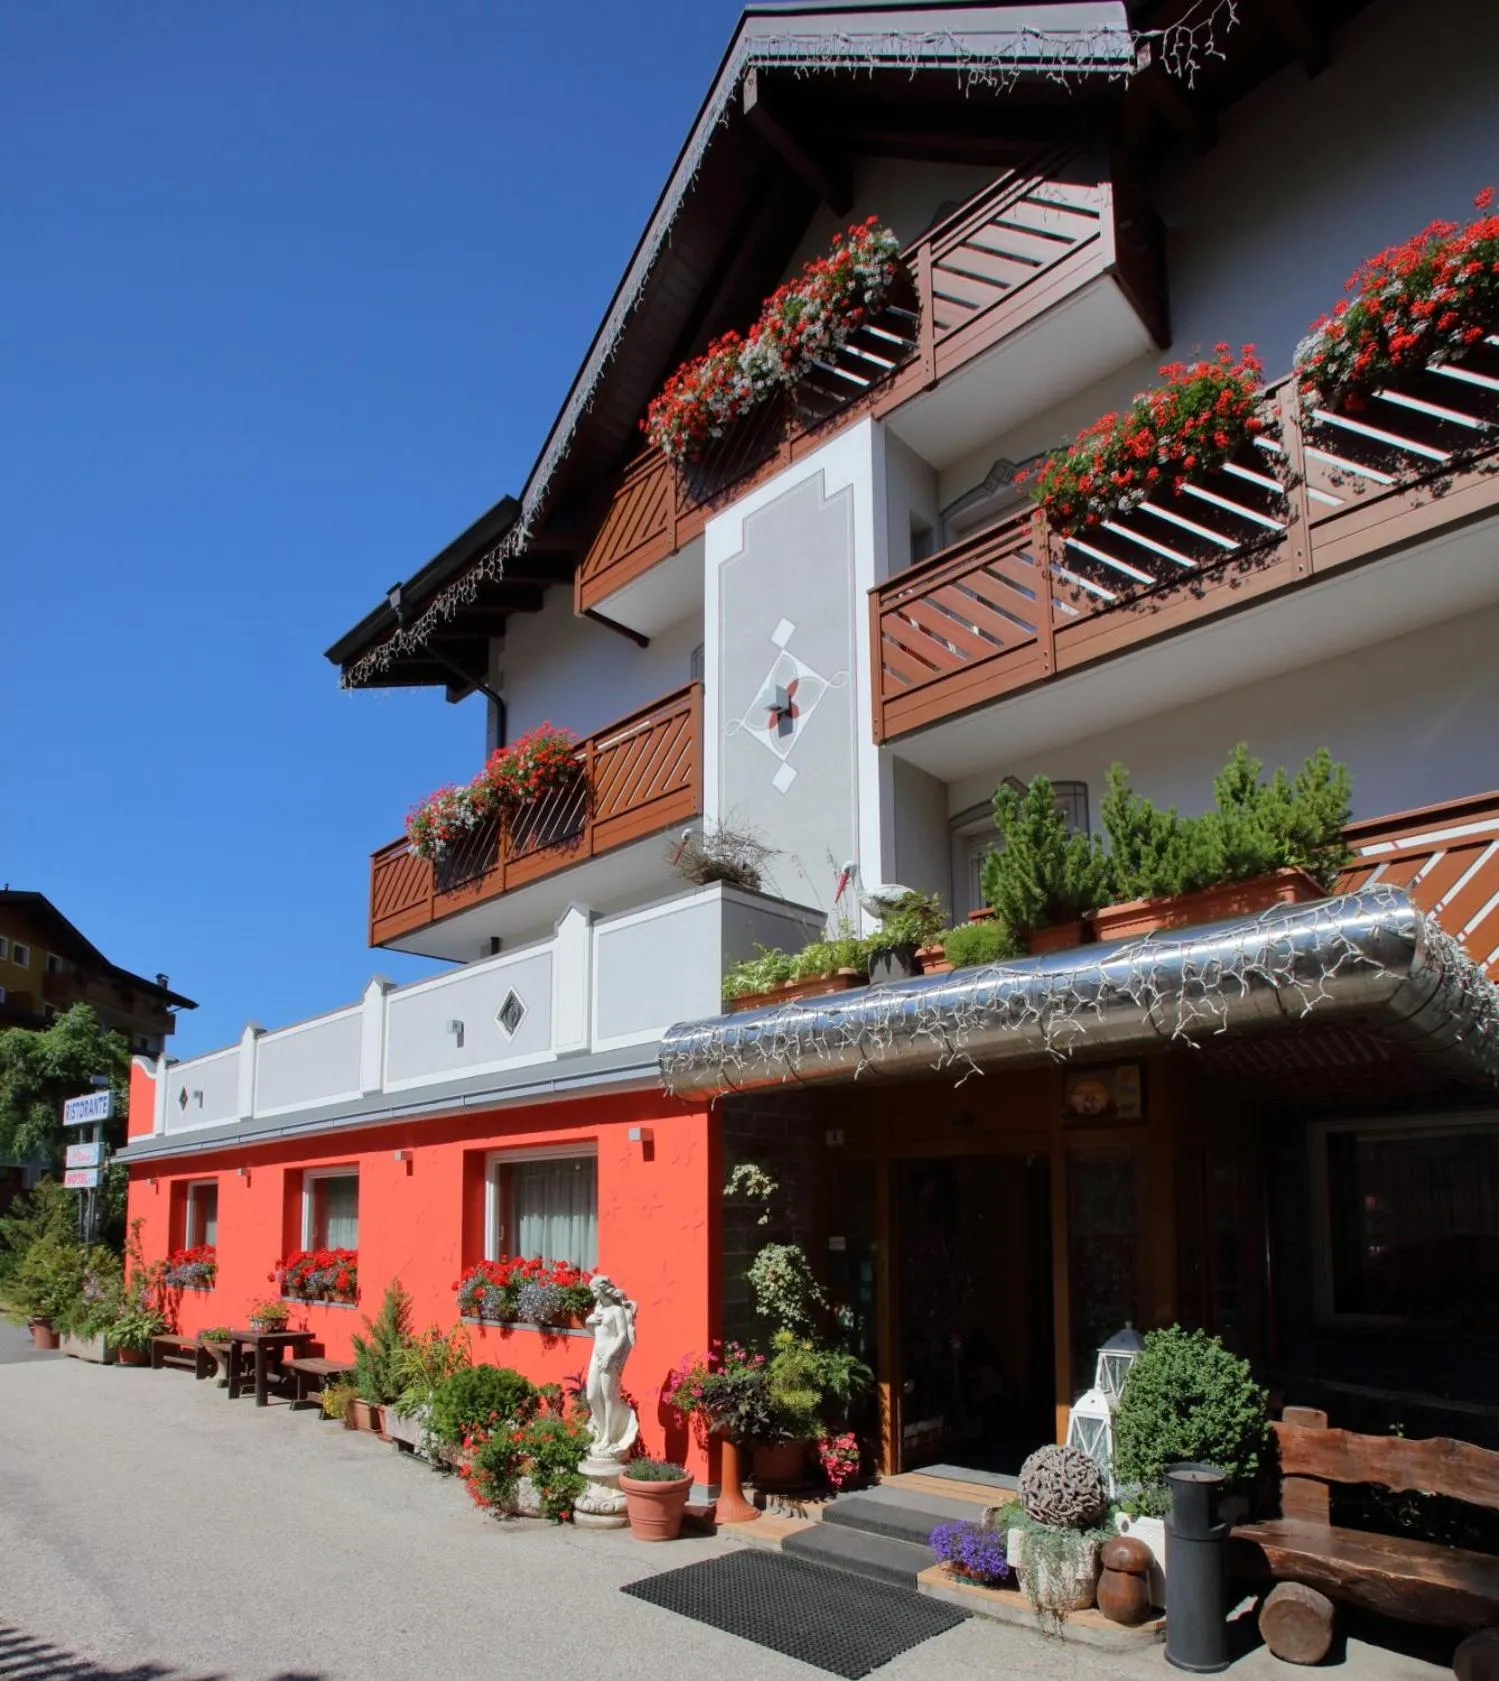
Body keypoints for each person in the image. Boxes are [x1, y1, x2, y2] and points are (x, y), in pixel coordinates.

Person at [584, 1274, 638, 1459]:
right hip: (595, 1355)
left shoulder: (616, 1310)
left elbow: (622, 1335)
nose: (593, 1295)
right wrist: (587, 1323)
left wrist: (609, 1356)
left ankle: (608, 1435)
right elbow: (596, 1333)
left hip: (609, 1357)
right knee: (592, 1395)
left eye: (595, 1290)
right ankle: (601, 1430)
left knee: (608, 1397)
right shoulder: (598, 1310)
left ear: (604, 1289)